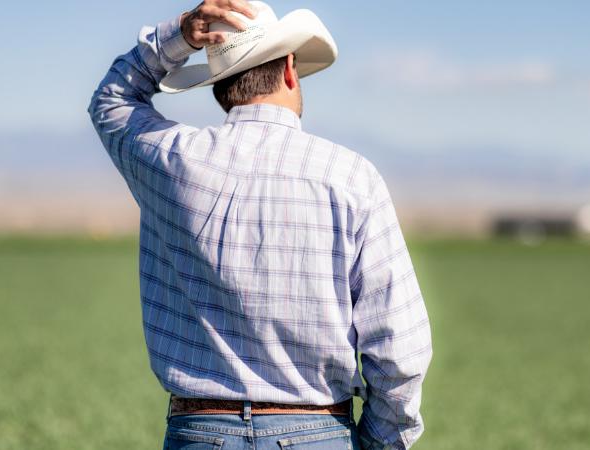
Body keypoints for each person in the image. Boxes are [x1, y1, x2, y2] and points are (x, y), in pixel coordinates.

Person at [87, 1, 432, 449]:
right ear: (290, 68)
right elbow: (399, 349)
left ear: (218, 86)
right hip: (319, 432)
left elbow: (111, 100)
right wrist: (379, 443)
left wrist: (178, 36)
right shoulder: (351, 177)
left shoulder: (173, 160)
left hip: (198, 433)